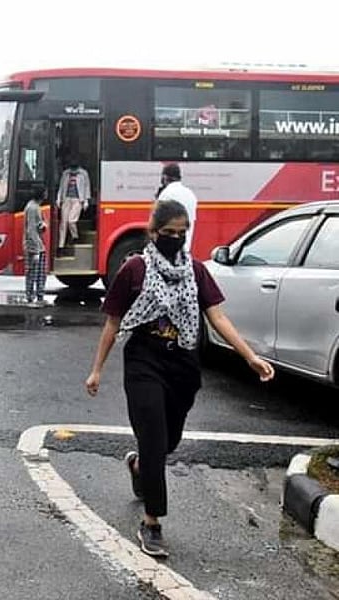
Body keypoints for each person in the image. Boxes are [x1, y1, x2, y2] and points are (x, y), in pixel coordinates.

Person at [85, 200, 275, 559]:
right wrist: (97, 369)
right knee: (155, 438)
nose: (174, 239)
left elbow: (217, 318)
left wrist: (250, 357)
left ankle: (140, 465)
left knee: (167, 441)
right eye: (167, 233)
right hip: (144, 360)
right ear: (153, 233)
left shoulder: (196, 271)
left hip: (183, 365)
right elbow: (112, 323)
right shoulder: (135, 270)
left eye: (181, 233)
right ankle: (152, 522)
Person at [156, 163, 198, 252]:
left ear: (164, 177)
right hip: (185, 248)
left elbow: (157, 222)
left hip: (168, 249)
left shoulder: (166, 194)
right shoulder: (190, 194)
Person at [56, 159, 91, 256]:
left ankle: (75, 236)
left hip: (78, 199)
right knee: (63, 223)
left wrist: (86, 200)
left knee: (71, 220)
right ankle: (61, 246)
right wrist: (58, 199)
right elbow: (61, 187)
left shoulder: (83, 173)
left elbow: (87, 186)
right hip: (66, 199)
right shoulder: (66, 173)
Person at [23, 190, 48, 306]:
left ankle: (37, 296)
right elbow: (31, 230)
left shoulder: (34, 206)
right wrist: (36, 249)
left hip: (37, 245)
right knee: (35, 273)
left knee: (39, 273)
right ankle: (32, 297)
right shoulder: (33, 208)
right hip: (35, 246)